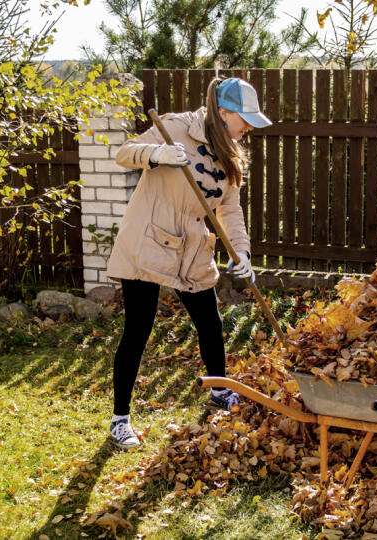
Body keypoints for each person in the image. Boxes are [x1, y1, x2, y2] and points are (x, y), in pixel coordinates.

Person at [103, 77, 272, 449]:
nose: (248, 129)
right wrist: (158, 154)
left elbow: (229, 208)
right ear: (224, 113)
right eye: (244, 120)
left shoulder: (230, 151)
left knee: (210, 323)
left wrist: (241, 252)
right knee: (138, 330)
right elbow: (124, 152)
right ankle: (120, 420)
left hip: (193, 248)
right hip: (148, 240)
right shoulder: (176, 127)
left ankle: (219, 392)